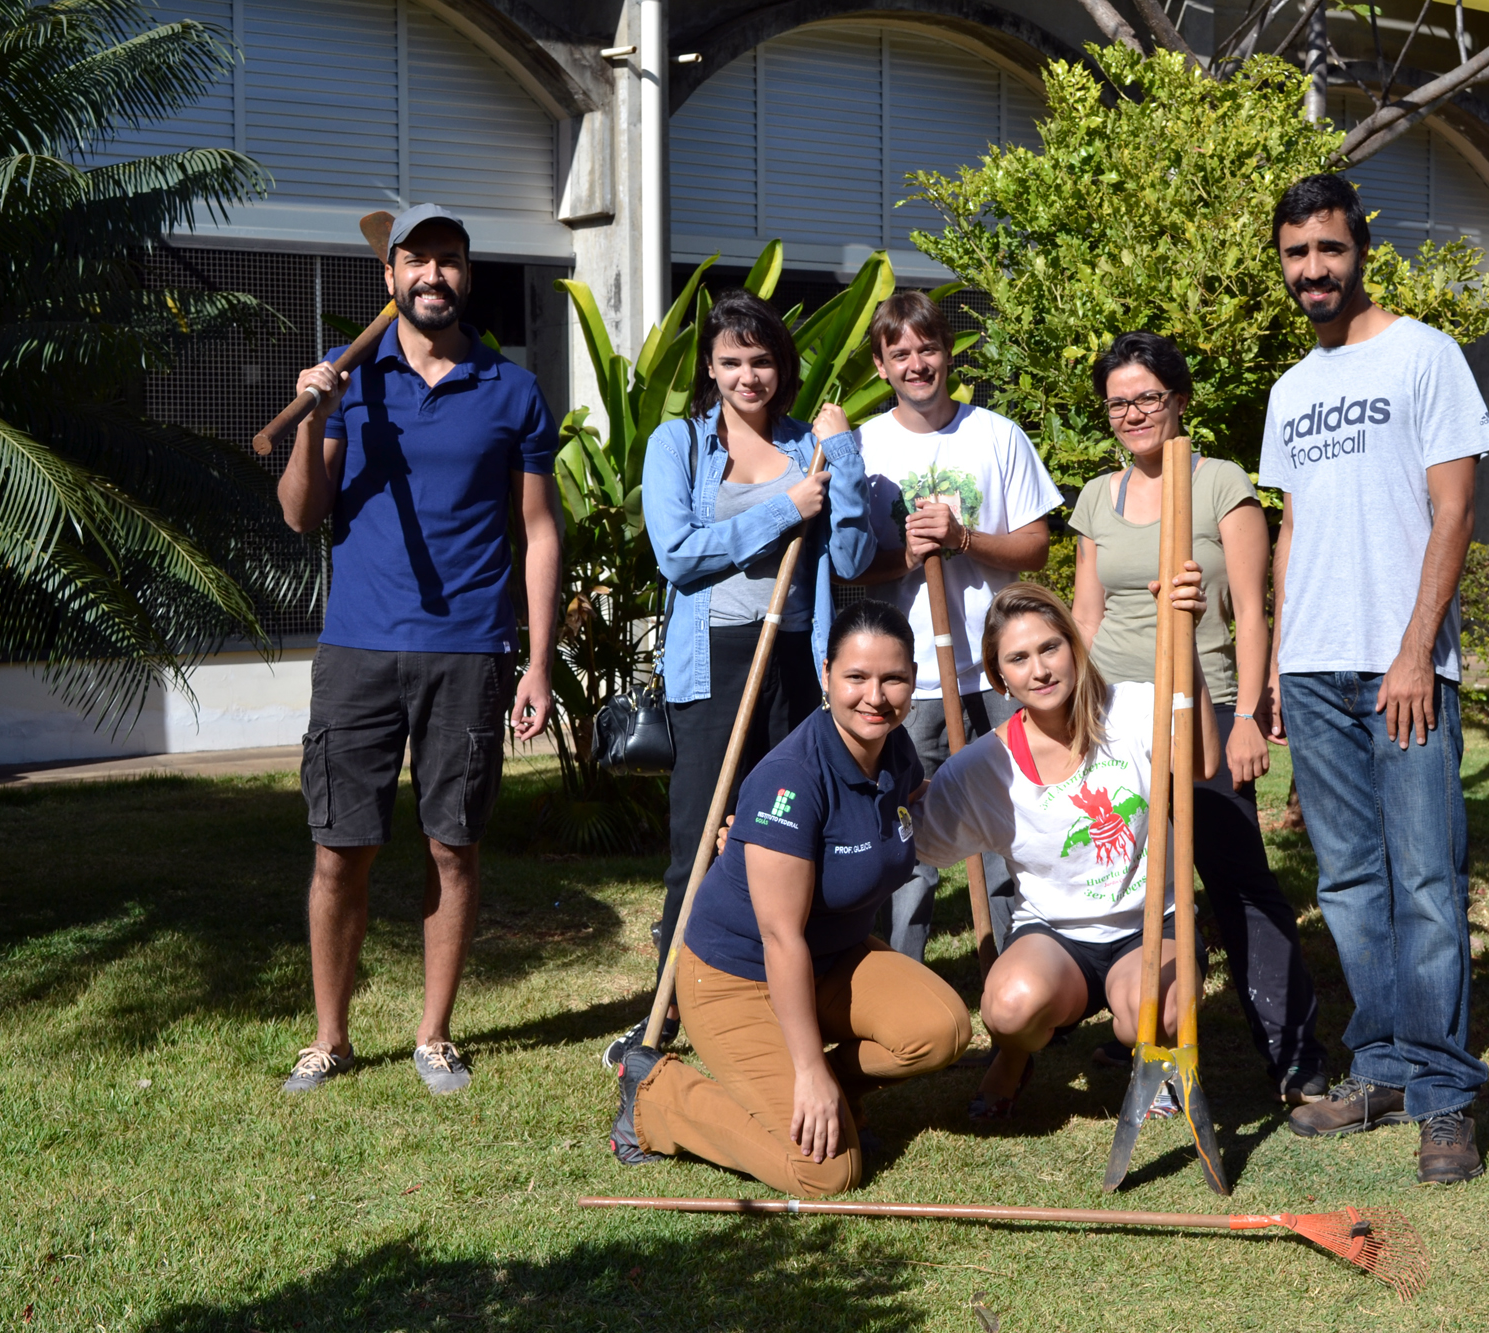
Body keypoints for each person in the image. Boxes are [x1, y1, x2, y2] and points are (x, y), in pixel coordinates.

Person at [275, 203, 560, 1096]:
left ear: (467, 278)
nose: (433, 275)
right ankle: (330, 1037)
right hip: (359, 646)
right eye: (416, 260)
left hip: (470, 648)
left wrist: (539, 660)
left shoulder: (510, 390)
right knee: (337, 848)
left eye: (449, 261)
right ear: (388, 275)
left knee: (453, 845)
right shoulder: (352, 383)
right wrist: (311, 415)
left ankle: (433, 1034)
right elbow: (299, 513)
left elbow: (540, 531)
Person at [1260, 172, 1489, 1184]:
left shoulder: (1423, 354)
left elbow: (1452, 511)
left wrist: (1413, 652)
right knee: (1350, 884)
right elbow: (1291, 528)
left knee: (1426, 882)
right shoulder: (1288, 388)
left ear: (1360, 249)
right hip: (1309, 668)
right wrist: (1273, 659)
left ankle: (1444, 1095)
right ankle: (1383, 1065)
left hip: (1396, 664)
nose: (1312, 269)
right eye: (1294, 254)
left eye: (1327, 249)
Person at [611, 602, 972, 1197]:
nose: (875, 696)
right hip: (738, 976)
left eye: (893, 678)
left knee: (942, 1031)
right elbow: (781, 937)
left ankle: (822, 1094)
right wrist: (809, 1070)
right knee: (826, 1172)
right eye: (856, 677)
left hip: (835, 958)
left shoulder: (897, 750)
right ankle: (659, 1099)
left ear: (913, 679)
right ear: (826, 674)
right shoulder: (792, 779)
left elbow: (911, 809)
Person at [603, 291, 875, 1067]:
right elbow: (680, 555)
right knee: (699, 840)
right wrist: (785, 508)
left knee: (789, 839)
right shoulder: (679, 444)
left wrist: (842, 456)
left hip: (793, 659)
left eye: (761, 360)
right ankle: (664, 1015)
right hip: (713, 660)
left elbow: (852, 558)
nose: (747, 375)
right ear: (711, 369)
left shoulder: (809, 447)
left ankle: (786, 1004)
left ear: (781, 366)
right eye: (731, 361)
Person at [1069, 332, 1328, 1108]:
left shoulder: (1220, 483)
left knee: (1235, 878)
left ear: (1180, 400)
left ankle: (1292, 1052)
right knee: (1137, 880)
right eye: (1119, 402)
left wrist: (1249, 712)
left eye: (1148, 397)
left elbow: (1252, 611)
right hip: (1115, 715)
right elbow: (1086, 617)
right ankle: (1150, 1035)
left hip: (1205, 706)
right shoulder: (1096, 497)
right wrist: (1069, 718)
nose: (1134, 413)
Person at [913, 582, 1218, 1120]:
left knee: (1158, 1013)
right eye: (1018, 658)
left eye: (1050, 647)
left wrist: (1185, 639)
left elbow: (1201, 764)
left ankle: (1153, 1050)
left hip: (1151, 925)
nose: (1040, 670)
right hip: (1055, 937)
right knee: (1008, 1008)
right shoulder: (982, 768)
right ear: (997, 676)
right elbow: (924, 845)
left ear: (1075, 648)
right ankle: (1014, 1053)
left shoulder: (1134, 709)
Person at [841, 291, 1061, 961]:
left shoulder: (996, 435)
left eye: (927, 348)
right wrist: (905, 555)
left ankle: (1016, 962)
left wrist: (965, 537)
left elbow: (1036, 546)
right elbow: (846, 565)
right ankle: (898, 976)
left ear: (947, 353)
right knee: (906, 827)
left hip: (999, 669)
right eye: (900, 352)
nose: (916, 364)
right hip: (910, 677)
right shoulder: (864, 448)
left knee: (1011, 815)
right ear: (880, 365)